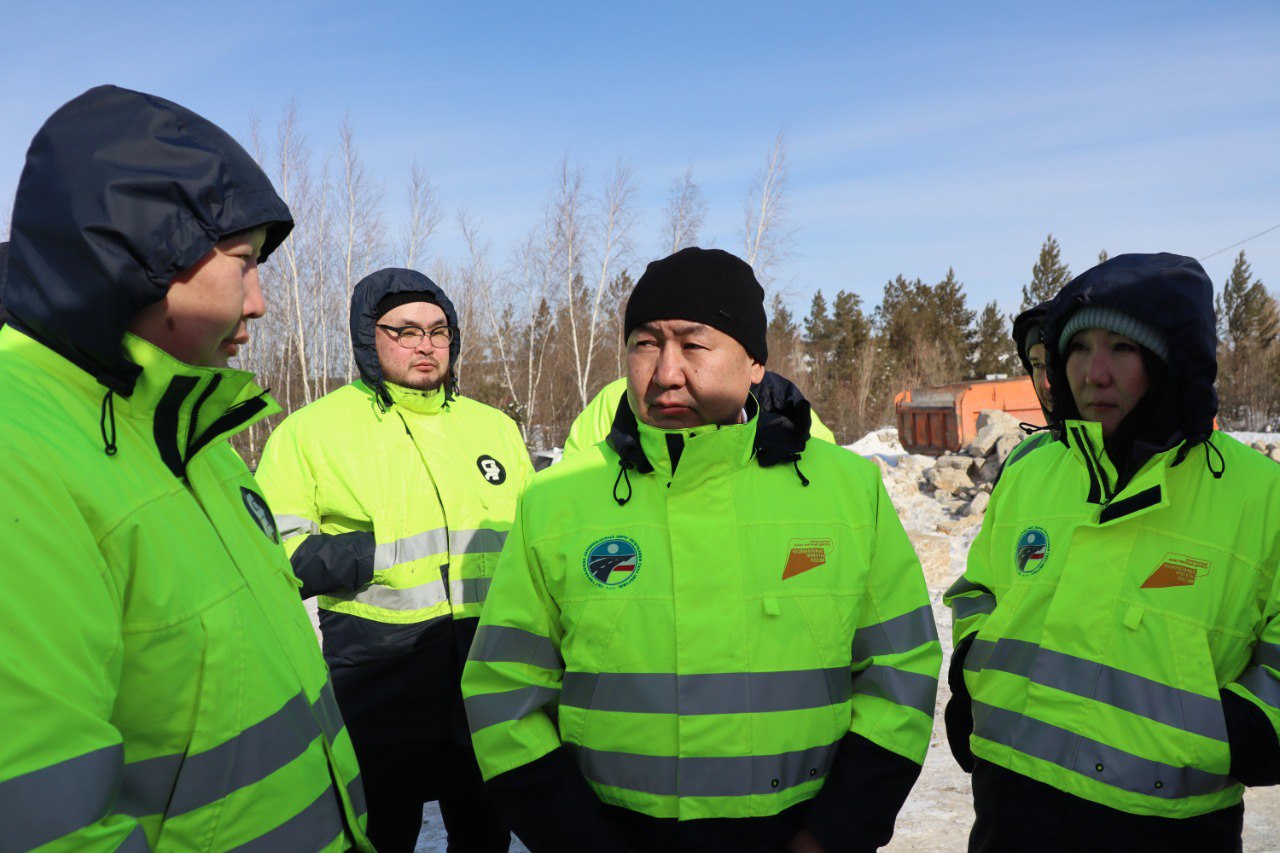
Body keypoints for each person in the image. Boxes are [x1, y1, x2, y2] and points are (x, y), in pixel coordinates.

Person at [463, 247, 940, 853]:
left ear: (755, 363)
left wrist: (833, 834)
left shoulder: (849, 493)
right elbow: (504, 691)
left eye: (693, 344)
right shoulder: (555, 502)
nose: (664, 371)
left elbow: (901, 674)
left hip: (796, 832)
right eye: (644, 344)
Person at [0, 85, 370, 850]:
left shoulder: (191, 433)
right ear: (140, 251)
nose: (260, 302)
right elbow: (41, 822)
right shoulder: (20, 450)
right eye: (242, 263)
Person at [945, 253, 1280, 850]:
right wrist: (973, 670)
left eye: (1122, 347)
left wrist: (1242, 731)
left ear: (1172, 362)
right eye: (1078, 348)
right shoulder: (1031, 468)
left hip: (1164, 822)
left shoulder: (1262, 496)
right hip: (1012, 804)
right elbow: (979, 592)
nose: (1092, 373)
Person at [255, 267, 531, 852]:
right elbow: (273, 549)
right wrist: (372, 554)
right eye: (404, 331)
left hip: (489, 673)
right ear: (367, 336)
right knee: (381, 835)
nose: (425, 344)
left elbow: (534, 542)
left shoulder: (495, 428)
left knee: (485, 832)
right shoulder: (312, 432)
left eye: (438, 330)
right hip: (379, 676)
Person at [563, 371, 838, 456]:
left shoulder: (789, 415)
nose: (670, 370)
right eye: (650, 341)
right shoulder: (614, 403)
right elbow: (567, 502)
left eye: (695, 343)